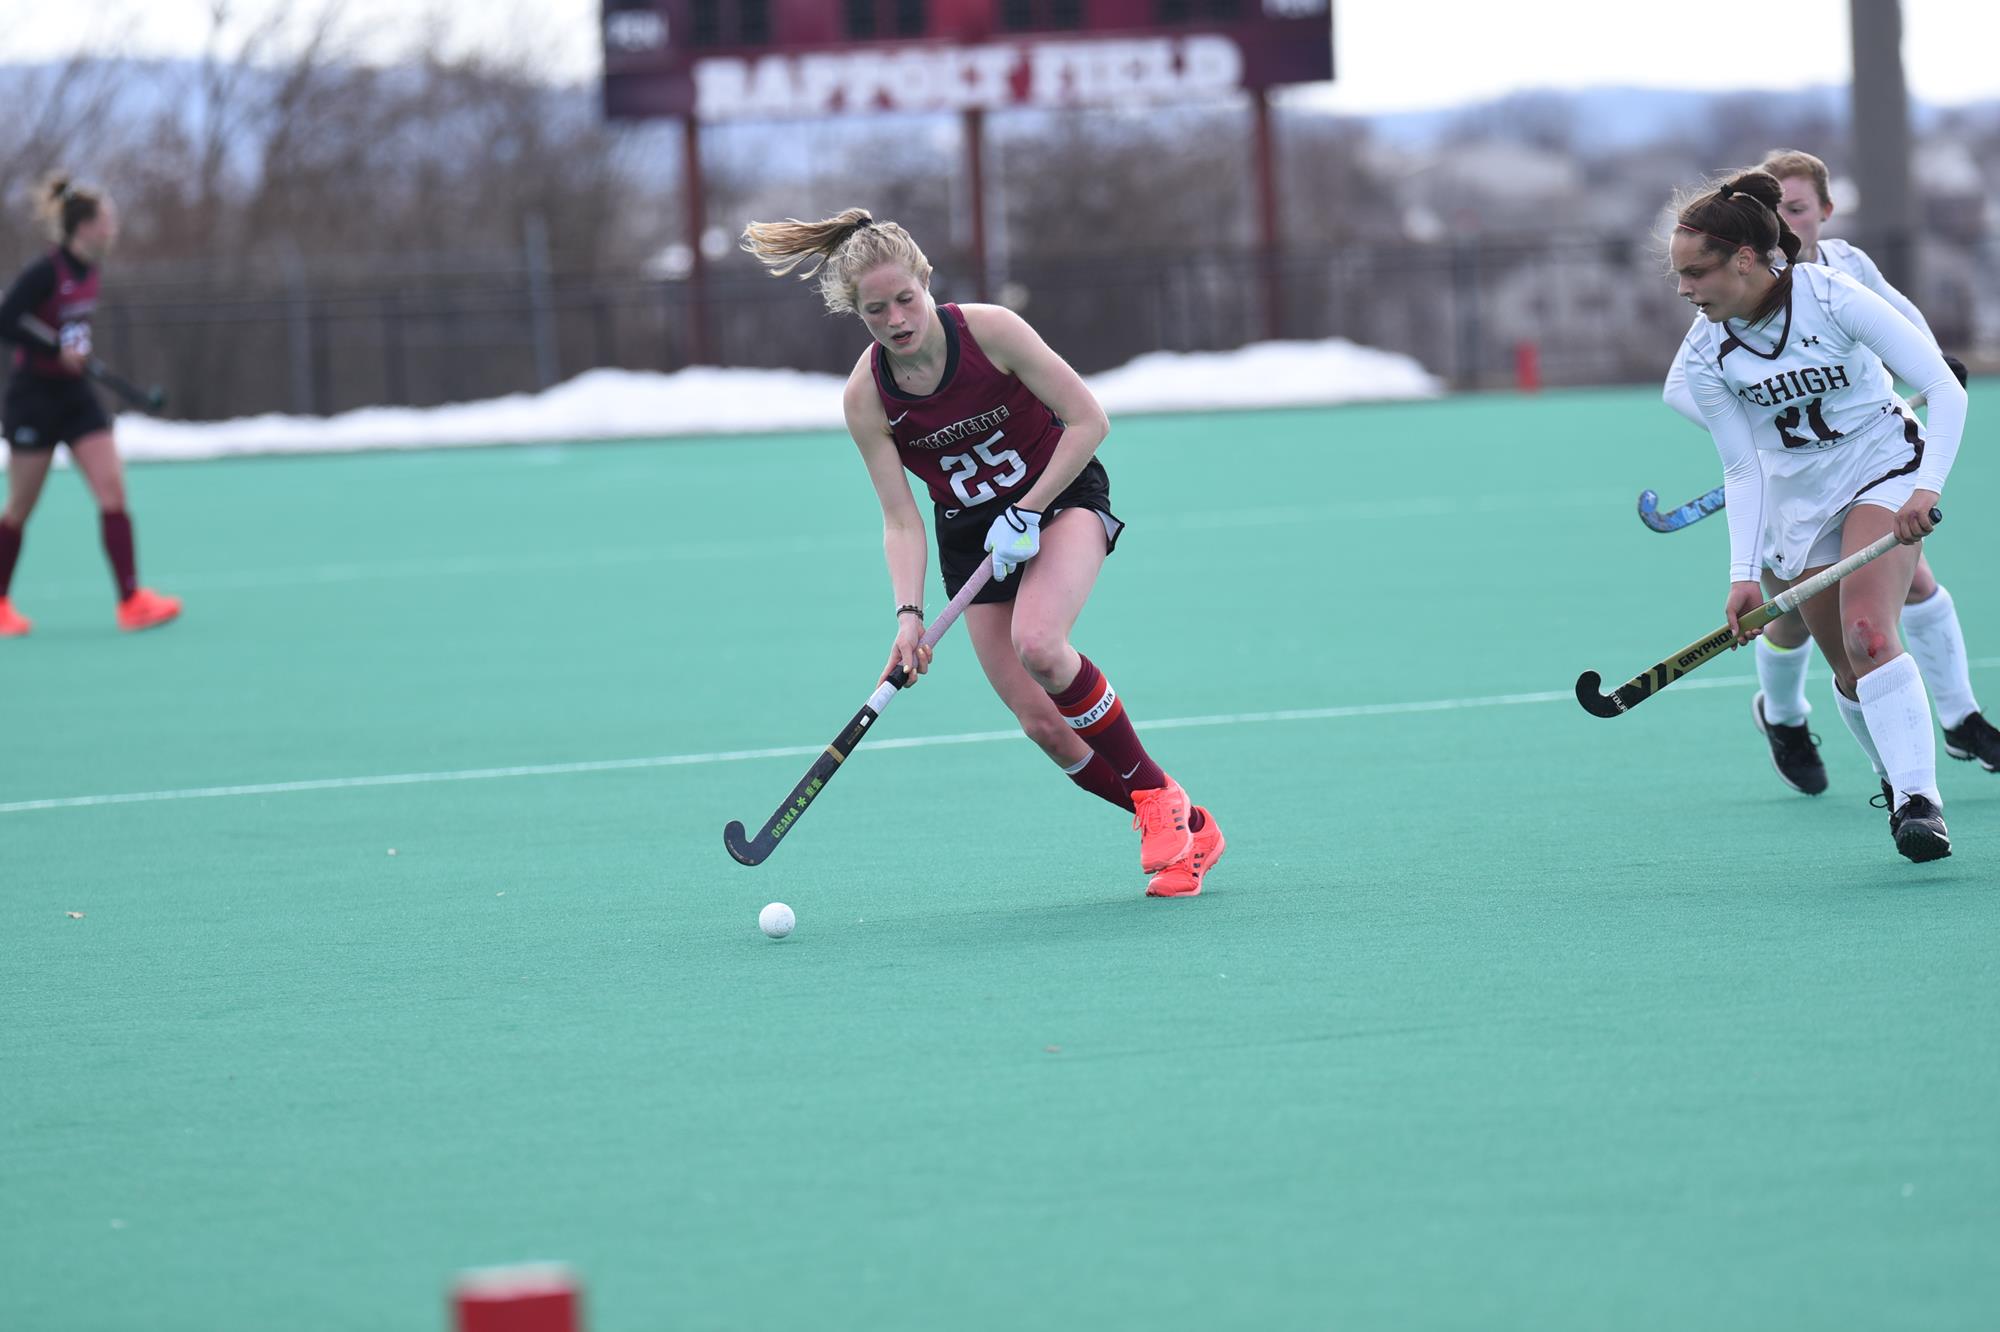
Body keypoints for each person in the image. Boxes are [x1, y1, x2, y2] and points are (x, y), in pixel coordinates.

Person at [740, 208, 1223, 896]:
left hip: (1056, 496)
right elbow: (901, 519)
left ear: (926, 280)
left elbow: (1090, 420)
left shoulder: (991, 332)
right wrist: (908, 616)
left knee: (1040, 644)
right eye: (876, 311)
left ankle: (1153, 795)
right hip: (972, 538)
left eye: (906, 299)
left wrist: (1027, 508)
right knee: (1043, 726)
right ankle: (1188, 823)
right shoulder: (866, 398)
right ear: (857, 312)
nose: (898, 320)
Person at [1661, 149, 1995, 795]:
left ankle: (1922, 794)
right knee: (1846, 665)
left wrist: (1927, 486)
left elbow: (1935, 375)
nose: (1682, 288)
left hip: (1880, 464)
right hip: (1798, 495)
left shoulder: (1837, 284)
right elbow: (1739, 467)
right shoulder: (1706, 348)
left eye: (1695, 272)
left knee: (1872, 630)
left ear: (1745, 257)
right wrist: (1739, 577)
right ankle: (1840, 748)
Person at [0, 174, 179, 636]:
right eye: (107, 220)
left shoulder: (91, 271)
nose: (113, 229)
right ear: (84, 226)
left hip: (75, 397)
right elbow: (6, 320)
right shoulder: (46, 271)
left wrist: (73, 352)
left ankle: (131, 601)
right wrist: (54, 348)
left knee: (112, 490)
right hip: (33, 398)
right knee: (20, 506)